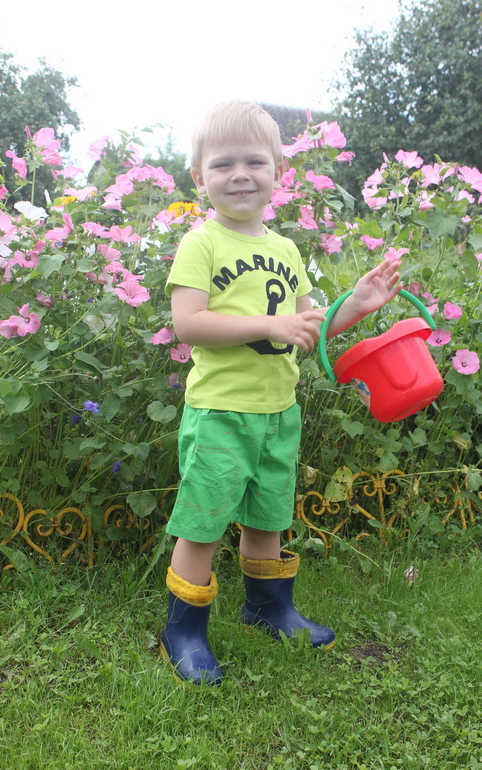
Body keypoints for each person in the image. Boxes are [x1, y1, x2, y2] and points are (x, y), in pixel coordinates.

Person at [160, 101, 402, 685]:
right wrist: (270, 325)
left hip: (277, 413)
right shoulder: (202, 243)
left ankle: (268, 609)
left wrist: (355, 306)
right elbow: (188, 324)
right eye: (223, 165)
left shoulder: (286, 250)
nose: (240, 175)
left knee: (267, 517)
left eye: (254, 162)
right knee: (203, 523)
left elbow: (305, 328)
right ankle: (183, 631)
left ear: (278, 172)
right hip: (221, 413)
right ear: (199, 178)